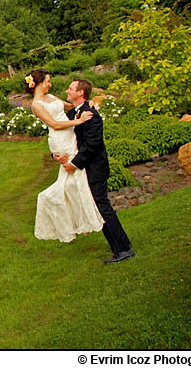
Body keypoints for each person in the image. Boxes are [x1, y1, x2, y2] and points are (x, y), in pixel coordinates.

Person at [55, 77, 135, 264]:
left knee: (102, 207)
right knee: (99, 208)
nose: (67, 91)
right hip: (85, 170)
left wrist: (73, 164)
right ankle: (120, 246)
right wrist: (58, 155)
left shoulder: (91, 115)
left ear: (80, 92)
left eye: (70, 88)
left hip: (95, 169)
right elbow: (68, 139)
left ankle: (123, 248)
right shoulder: (74, 114)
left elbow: (92, 145)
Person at [26, 69, 105, 245]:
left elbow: (71, 107)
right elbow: (54, 124)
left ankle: (80, 219)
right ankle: (81, 220)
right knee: (73, 180)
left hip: (71, 136)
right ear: (39, 83)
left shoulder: (52, 97)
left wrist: (89, 102)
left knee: (72, 182)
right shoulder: (36, 105)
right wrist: (79, 121)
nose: (50, 84)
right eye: (48, 81)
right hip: (61, 139)